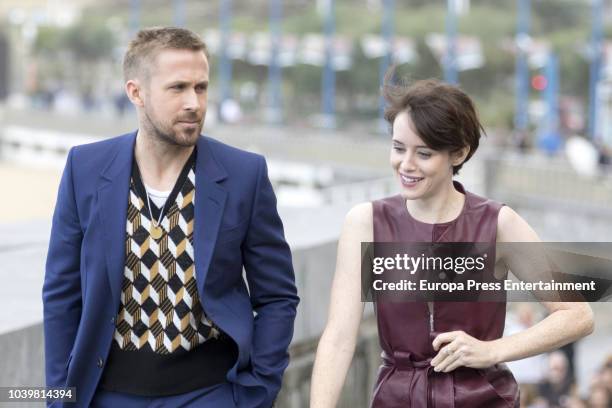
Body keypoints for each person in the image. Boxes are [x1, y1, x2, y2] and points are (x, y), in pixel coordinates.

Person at [42, 27, 299, 408]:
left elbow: (277, 296)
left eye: (201, 87)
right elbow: (62, 295)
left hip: (210, 393)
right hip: (107, 394)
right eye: (177, 88)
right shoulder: (85, 168)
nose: (194, 102)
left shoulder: (245, 174)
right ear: (136, 92)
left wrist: (254, 395)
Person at [309, 77, 594, 407]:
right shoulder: (366, 223)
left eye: (424, 153)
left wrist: (492, 350)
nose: (406, 164)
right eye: (398, 148)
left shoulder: (498, 223)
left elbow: (577, 314)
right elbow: (339, 338)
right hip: (396, 399)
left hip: (483, 398)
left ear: (459, 153)